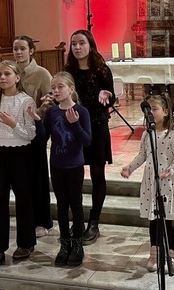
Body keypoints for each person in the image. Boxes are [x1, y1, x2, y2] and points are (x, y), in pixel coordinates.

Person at [30, 72, 91, 266]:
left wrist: (74, 125)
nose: (55, 91)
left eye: (60, 87)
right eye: (53, 88)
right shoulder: (52, 112)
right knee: (62, 206)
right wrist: (38, 121)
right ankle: (64, 244)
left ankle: (77, 244)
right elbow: (43, 139)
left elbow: (87, 141)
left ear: (71, 89)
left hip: (75, 165)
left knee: (76, 204)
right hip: (56, 164)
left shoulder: (81, 111)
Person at [122, 94, 174, 273]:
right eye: (148, 109)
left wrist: (170, 170)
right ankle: (154, 255)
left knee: (167, 223)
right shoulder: (146, 135)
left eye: (154, 109)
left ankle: (171, 255)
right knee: (153, 222)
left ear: (165, 112)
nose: (150, 112)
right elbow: (142, 155)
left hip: (167, 183)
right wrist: (130, 168)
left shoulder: (172, 135)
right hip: (151, 183)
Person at [65, 29, 115, 245]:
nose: (77, 47)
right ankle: (76, 220)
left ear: (90, 45)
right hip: (74, 128)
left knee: (97, 174)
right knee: (74, 174)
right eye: (74, 44)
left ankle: (94, 222)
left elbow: (110, 97)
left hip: (96, 127)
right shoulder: (68, 71)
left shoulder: (102, 70)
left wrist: (107, 95)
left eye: (81, 43)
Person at [0, 60, 37, 268]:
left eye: (7, 74)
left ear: (17, 77)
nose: (3, 78)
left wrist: (12, 124)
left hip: (22, 155)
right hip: (2, 155)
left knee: (24, 199)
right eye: (0, 74)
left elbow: (30, 135)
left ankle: (26, 243)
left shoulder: (25, 101)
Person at [13, 35, 54, 238]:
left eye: (22, 49)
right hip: (14, 135)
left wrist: (38, 112)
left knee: (38, 179)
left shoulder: (41, 74)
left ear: (31, 51)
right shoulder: (10, 73)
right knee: (22, 180)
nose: (18, 53)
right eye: (15, 49)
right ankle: (28, 218)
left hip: (35, 133)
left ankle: (43, 221)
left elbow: (49, 103)